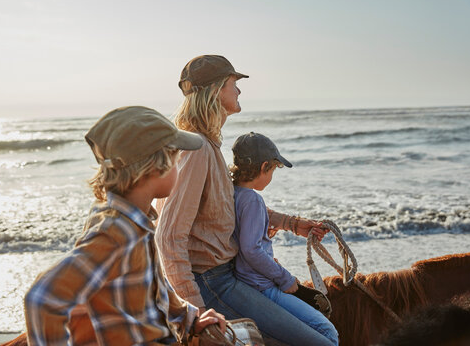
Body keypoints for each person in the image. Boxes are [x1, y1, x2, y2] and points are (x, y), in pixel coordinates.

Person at [155, 55, 332, 345]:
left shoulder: (207, 144)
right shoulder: (196, 149)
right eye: (233, 83)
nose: (239, 91)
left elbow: (228, 204)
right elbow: (169, 236)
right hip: (211, 282)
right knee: (322, 341)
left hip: (225, 275)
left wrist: (291, 223)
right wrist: (196, 312)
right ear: (215, 91)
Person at [24, 106, 226, 345]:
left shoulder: (135, 222)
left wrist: (189, 317)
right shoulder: (115, 232)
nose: (179, 169)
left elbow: (153, 289)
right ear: (154, 167)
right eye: (175, 161)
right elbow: (42, 298)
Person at [230, 132, 339, 346]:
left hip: (247, 281)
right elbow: (251, 249)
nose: (271, 177)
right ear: (264, 167)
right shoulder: (253, 200)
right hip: (261, 286)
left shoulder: (232, 193)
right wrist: (285, 280)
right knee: (326, 331)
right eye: (272, 171)